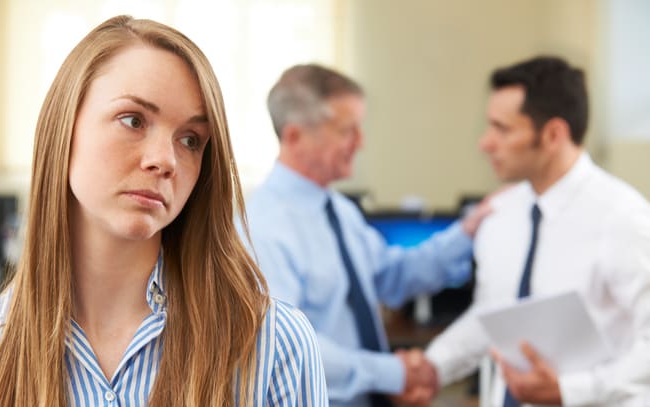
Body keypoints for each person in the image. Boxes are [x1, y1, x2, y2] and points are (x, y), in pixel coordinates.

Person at [0, 16, 328, 407]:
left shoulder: (274, 346)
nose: (165, 159)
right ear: (63, 128)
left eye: (190, 140)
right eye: (133, 120)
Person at [240, 63, 490, 406]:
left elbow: (393, 275)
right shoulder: (263, 228)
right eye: (348, 130)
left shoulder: (340, 211)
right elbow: (286, 348)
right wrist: (393, 373)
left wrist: (467, 231)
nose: (361, 142)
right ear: (295, 136)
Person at [412, 56, 650, 406]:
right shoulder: (500, 215)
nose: (485, 144)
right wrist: (433, 366)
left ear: (553, 134)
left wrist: (571, 391)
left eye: (502, 129)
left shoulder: (624, 218)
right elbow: (492, 314)